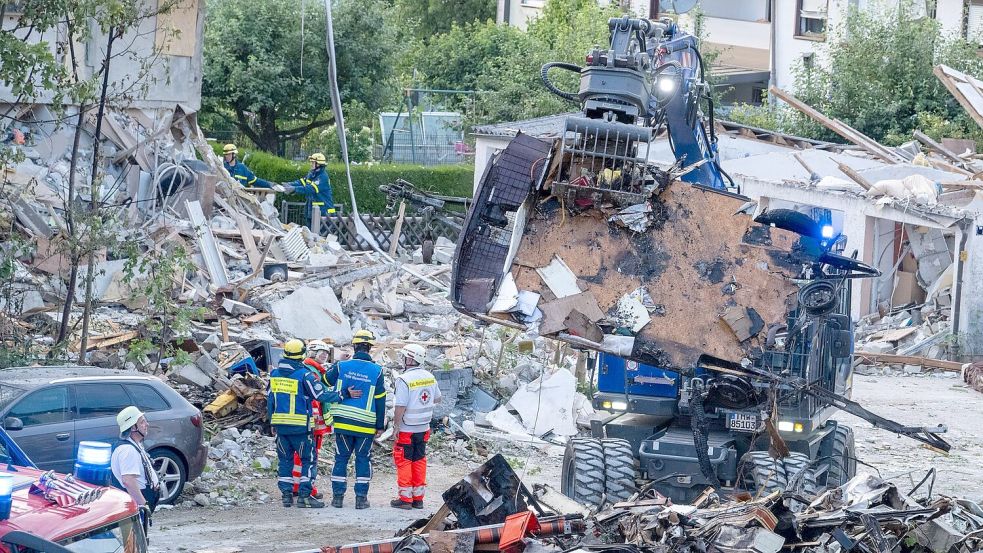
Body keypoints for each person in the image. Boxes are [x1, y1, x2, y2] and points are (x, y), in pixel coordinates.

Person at [268, 339, 361, 508]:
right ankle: (304, 496)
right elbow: (321, 395)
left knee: (285, 461)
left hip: (281, 427)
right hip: (300, 428)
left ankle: (287, 496)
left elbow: (270, 400)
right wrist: (344, 394)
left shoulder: (274, 374)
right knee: (308, 460)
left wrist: (271, 422)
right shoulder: (304, 375)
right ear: (302, 355)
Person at [322, 329, 386, 509]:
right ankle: (360, 499)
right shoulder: (377, 371)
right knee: (363, 459)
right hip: (365, 425)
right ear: (370, 348)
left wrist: (339, 364)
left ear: (354, 346)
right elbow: (380, 399)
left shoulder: (342, 366)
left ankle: (337, 498)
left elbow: (324, 382)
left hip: (343, 422)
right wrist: (379, 425)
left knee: (341, 458)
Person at [390, 344, 441, 510]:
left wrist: (396, 426)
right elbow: (437, 399)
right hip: (423, 428)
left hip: (407, 428)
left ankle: (405, 499)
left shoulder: (404, 379)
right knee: (419, 460)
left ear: (410, 359)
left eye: (405, 356)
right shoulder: (429, 377)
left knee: (404, 461)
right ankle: (418, 498)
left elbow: (400, 406)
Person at [289, 340, 334, 499]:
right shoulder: (312, 372)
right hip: (312, 422)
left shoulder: (314, 370)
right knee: (310, 456)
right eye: (321, 352)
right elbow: (314, 399)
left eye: (327, 353)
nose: (324, 355)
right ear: (311, 352)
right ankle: (307, 489)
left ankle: (296, 485)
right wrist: (313, 422)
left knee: (301, 454)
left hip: (308, 421)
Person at [111, 406, 162, 513]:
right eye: (142, 422)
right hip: (137, 503)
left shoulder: (134, 444)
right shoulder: (128, 450)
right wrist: (144, 505)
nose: (147, 424)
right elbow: (128, 481)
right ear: (133, 427)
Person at [281, 153, 336, 224]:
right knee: (311, 233)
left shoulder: (323, 177)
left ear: (318, 164)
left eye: (313, 162)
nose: (311, 164)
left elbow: (310, 188)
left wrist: (294, 189)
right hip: (312, 211)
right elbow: (302, 182)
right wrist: (289, 184)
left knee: (320, 234)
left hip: (324, 212)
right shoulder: (312, 174)